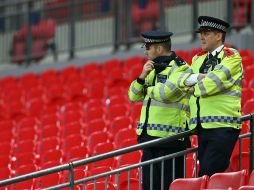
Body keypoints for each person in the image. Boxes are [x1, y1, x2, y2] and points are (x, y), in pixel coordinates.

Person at [128, 30, 191, 190]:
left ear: (159, 48)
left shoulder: (181, 68)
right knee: (149, 187)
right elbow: (133, 96)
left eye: (148, 47)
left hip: (170, 140)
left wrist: (148, 89)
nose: (145, 51)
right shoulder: (151, 68)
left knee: (169, 186)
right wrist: (142, 77)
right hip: (149, 139)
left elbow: (165, 94)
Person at [184, 16, 243, 177]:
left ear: (219, 35)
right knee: (206, 177)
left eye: (206, 33)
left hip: (223, 125)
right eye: (201, 33)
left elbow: (212, 84)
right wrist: (198, 78)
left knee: (208, 174)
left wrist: (196, 82)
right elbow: (183, 83)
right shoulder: (198, 59)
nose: (202, 36)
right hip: (203, 127)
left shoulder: (231, 56)